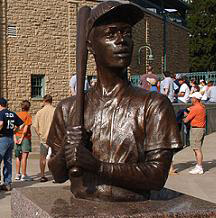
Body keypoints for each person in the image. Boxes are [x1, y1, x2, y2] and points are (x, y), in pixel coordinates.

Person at [47, 1, 182, 201]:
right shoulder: (69, 109)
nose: (121, 40)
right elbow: (58, 175)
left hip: (134, 206)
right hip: (82, 205)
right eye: (111, 34)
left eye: (126, 33)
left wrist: (98, 167)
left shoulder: (154, 105)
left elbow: (156, 176)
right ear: (90, 45)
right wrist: (68, 148)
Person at [0, 98, 23, 191]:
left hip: (2, 138)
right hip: (10, 138)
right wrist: (15, 131)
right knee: (8, 161)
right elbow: (21, 125)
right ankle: (7, 183)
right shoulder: (12, 113)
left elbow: (1, 124)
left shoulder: (1, 113)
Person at [33, 95, 55, 182]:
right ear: (51, 101)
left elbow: (35, 126)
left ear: (44, 101)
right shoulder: (55, 111)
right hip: (54, 138)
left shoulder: (39, 112)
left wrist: (39, 135)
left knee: (42, 158)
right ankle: (55, 175)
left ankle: (42, 175)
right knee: (54, 157)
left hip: (43, 138)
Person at [184, 92, 206, 175]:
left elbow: (186, 120)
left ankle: (199, 167)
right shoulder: (201, 107)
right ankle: (198, 166)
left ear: (195, 99)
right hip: (200, 129)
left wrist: (185, 115)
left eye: (192, 98)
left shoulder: (195, 108)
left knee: (197, 149)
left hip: (196, 130)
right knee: (197, 148)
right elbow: (192, 109)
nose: (191, 99)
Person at [14, 100, 33, 181]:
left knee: (18, 157)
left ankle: (17, 174)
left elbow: (14, 127)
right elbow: (25, 128)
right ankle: (24, 175)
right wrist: (22, 138)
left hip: (17, 136)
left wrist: (14, 137)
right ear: (28, 107)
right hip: (24, 138)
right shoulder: (28, 116)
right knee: (24, 157)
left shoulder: (16, 115)